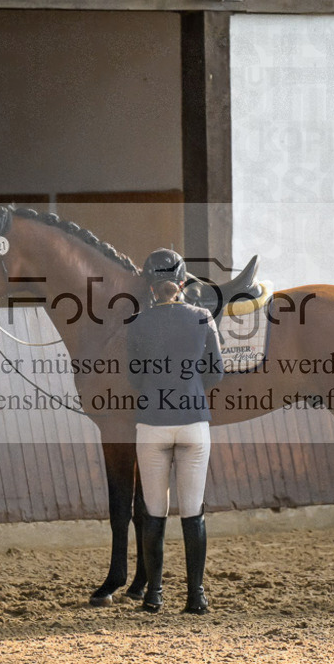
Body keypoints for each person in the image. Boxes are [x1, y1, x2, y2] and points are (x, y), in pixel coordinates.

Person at [126, 248, 224, 614]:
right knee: (193, 511)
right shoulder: (202, 317)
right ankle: (196, 595)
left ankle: (154, 594)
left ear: (151, 287)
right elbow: (216, 373)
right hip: (193, 423)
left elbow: (134, 378)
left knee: (153, 512)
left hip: (152, 424)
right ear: (181, 284)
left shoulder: (136, 324)